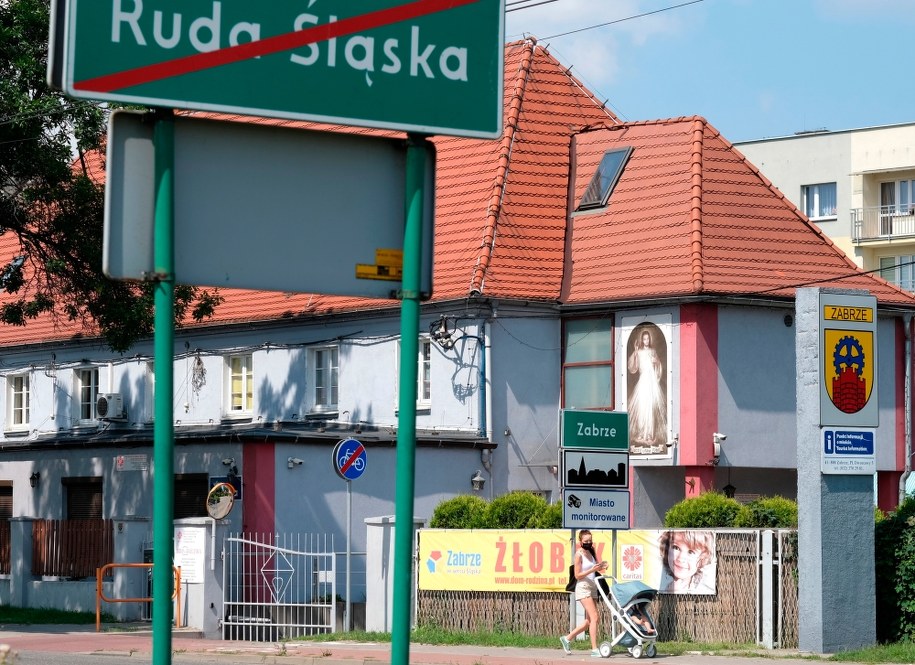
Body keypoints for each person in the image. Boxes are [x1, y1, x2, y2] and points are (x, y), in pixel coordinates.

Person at [560, 530, 608, 657]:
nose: (588, 543)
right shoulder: (579, 554)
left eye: (590, 541)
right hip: (583, 587)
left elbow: (595, 567)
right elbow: (577, 575)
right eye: (585, 541)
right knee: (595, 618)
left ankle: (567, 638)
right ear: (580, 541)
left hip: (593, 586)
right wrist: (592, 569)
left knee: (589, 621)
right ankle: (594, 649)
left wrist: (602, 566)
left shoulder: (591, 551)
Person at [627, 327, 668, 451]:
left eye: (647, 338)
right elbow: (633, 367)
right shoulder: (638, 352)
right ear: (642, 340)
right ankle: (641, 433)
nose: (646, 340)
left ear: (649, 339)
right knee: (641, 408)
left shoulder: (653, 351)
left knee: (651, 408)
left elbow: (658, 368)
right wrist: (635, 351)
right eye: (644, 338)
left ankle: (649, 434)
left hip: (652, 383)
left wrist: (656, 362)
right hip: (643, 381)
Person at [658, 530, 716, 594]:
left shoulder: (705, 589)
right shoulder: (657, 580)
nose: (681, 559)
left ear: (703, 558)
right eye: (676, 548)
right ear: (667, 548)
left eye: (691, 552)